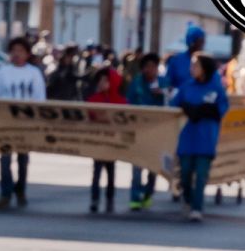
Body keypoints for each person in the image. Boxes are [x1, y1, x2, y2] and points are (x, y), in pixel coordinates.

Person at [171, 52, 229, 223]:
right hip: (187, 138)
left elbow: (222, 109)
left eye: (195, 65)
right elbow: (174, 105)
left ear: (204, 68)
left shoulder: (216, 88)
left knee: (201, 175)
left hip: (206, 139)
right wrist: (187, 107)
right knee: (186, 173)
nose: (192, 69)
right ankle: (188, 199)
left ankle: (197, 208)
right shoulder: (186, 86)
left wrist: (206, 110)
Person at [0, 34, 45, 209]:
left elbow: (40, 99)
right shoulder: (3, 72)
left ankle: (20, 189)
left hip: (25, 124)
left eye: (20, 51)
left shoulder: (34, 73)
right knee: (5, 159)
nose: (17, 54)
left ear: (27, 54)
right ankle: (5, 192)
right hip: (6, 123)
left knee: (23, 159)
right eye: (13, 51)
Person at [125, 51, 166, 210]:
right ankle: (135, 198)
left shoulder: (163, 83)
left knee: (153, 169)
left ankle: (148, 193)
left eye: (153, 66)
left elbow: (172, 102)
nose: (151, 70)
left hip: (157, 134)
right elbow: (129, 103)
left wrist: (162, 94)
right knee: (136, 168)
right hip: (139, 132)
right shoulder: (136, 83)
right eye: (147, 66)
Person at [85, 56, 125, 213]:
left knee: (110, 173)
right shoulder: (94, 99)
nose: (102, 84)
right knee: (96, 172)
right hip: (97, 142)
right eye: (100, 81)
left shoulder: (120, 101)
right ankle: (95, 199)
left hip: (113, 143)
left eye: (105, 81)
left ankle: (109, 199)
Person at [164, 22, 207, 93]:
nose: (203, 44)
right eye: (200, 41)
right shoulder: (176, 61)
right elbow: (167, 84)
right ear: (192, 42)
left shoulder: (206, 61)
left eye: (203, 41)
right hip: (179, 102)